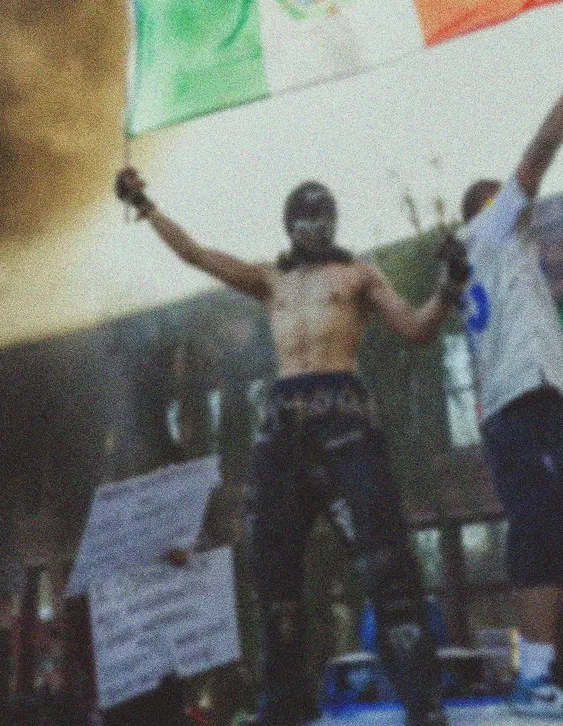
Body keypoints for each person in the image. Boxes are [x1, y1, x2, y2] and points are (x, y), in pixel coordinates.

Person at [114, 168, 469, 726]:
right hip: (283, 429)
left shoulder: (360, 276)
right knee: (272, 570)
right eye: (306, 216)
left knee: (386, 559)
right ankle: (284, 704)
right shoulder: (271, 281)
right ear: (290, 224)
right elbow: (197, 255)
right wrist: (145, 204)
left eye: (324, 213)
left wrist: (448, 288)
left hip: (345, 422)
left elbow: (417, 328)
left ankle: (423, 703)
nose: (317, 224)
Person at [451, 51, 563, 718]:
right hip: (523, 401)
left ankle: (557, 674)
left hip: (533, 402)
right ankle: (535, 677)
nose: (526, 204)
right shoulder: (490, 231)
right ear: (489, 209)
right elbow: (542, 149)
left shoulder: (487, 261)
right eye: (510, 195)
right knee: (540, 532)